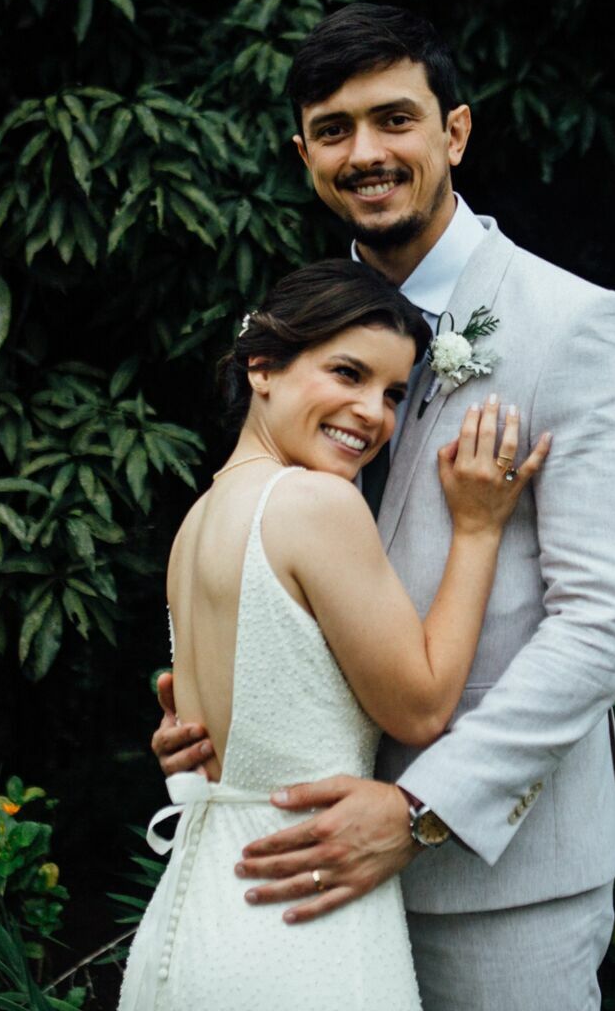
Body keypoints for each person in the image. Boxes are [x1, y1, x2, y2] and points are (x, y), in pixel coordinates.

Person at [152, 3, 615, 1008]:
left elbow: (604, 621)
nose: (367, 152)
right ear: (304, 154)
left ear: (453, 132)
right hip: (299, 882)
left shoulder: (579, 327)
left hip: (496, 882)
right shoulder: (303, 344)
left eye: (394, 118)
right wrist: (216, 710)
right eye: (334, 129)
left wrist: (423, 805)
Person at [118, 258, 550, 1010]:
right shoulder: (314, 504)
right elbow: (418, 710)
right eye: (346, 373)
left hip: (190, 924)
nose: (372, 414)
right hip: (301, 918)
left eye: (390, 393)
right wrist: (478, 531)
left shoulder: (199, 521)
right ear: (263, 367)